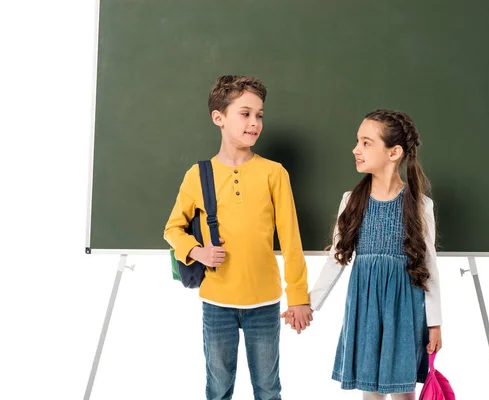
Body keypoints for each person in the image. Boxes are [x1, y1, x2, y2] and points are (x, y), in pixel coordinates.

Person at [164, 75, 313, 400]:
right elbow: (172, 229)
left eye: (259, 115)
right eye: (245, 113)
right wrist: (197, 251)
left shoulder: (274, 173)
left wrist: (298, 296)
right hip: (217, 301)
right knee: (218, 388)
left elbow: (290, 238)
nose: (255, 122)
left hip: (265, 301)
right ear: (219, 117)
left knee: (268, 389)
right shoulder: (198, 175)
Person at [283, 109, 442, 399]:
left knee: (403, 392)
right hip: (365, 307)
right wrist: (308, 304)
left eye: (366, 143)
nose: (356, 149)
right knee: (370, 390)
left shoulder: (419, 205)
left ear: (394, 152)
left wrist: (434, 323)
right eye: (358, 141)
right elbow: (337, 259)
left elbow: (428, 265)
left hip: (403, 310)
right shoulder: (352, 201)